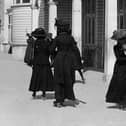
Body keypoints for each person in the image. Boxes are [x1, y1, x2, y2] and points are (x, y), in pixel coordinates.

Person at [50, 19, 79, 107]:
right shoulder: (70, 38)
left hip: (59, 60)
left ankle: (59, 100)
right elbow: (74, 49)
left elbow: (51, 50)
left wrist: (56, 54)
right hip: (69, 60)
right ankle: (67, 96)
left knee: (58, 79)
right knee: (68, 78)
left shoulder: (57, 38)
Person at [29, 27, 54, 99]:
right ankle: (43, 93)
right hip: (45, 61)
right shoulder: (46, 42)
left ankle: (34, 92)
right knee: (44, 77)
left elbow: (35, 53)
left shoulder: (36, 42)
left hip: (37, 61)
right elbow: (49, 51)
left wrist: (33, 62)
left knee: (36, 76)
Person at [106, 37, 126, 108]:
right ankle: (121, 102)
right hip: (120, 68)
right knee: (120, 84)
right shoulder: (116, 48)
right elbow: (119, 58)